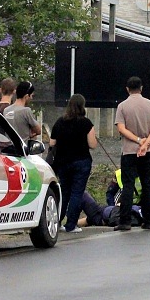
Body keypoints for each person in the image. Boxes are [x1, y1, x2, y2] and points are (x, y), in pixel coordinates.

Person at [114, 76, 150, 231]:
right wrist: (146, 143)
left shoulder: (122, 106)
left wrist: (138, 140)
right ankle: (149, 221)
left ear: (127, 89)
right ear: (141, 88)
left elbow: (121, 128)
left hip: (128, 151)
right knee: (147, 184)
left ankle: (125, 221)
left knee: (128, 185)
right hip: (147, 152)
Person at [50, 93, 98, 233]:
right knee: (77, 193)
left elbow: (52, 143)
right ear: (82, 106)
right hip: (81, 162)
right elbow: (93, 144)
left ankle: (56, 222)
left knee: (64, 192)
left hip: (63, 163)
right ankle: (71, 225)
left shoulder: (59, 122)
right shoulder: (86, 123)